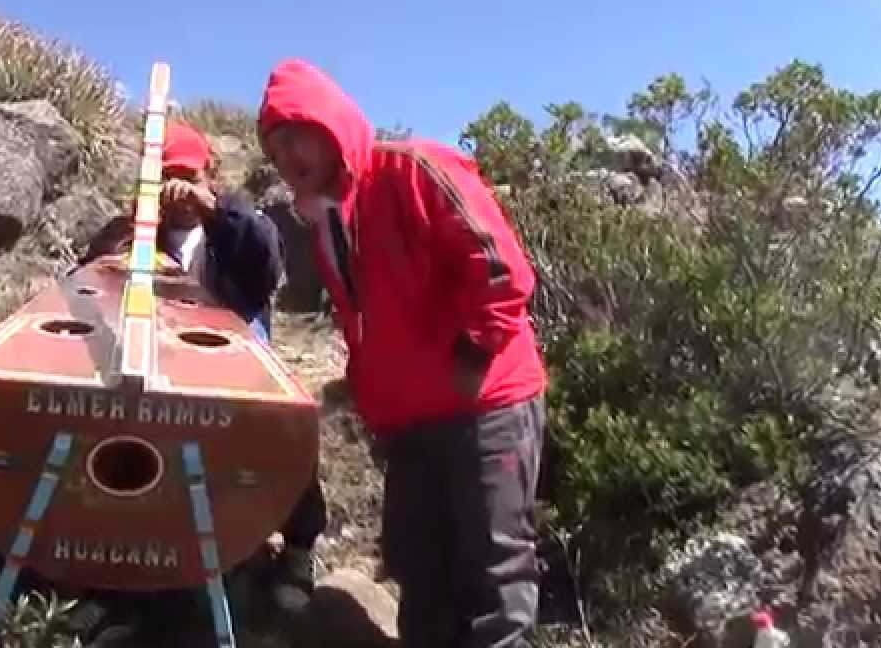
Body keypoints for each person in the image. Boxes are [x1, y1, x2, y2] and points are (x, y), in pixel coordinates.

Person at [256, 58, 548, 648]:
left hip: (485, 406)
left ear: (331, 124)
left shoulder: (413, 169)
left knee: (495, 576)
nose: (288, 156)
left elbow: (500, 269)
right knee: (421, 578)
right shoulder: (327, 221)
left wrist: (473, 358)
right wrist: (367, 396)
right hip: (412, 425)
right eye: (275, 146)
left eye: (297, 135)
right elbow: (366, 325)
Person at [66, 118, 329, 645]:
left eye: (188, 176)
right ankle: (115, 584)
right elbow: (83, 286)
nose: (178, 190)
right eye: (168, 178)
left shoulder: (237, 225)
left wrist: (215, 209)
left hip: (233, 365)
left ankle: (298, 551)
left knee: (286, 421)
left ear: (211, 172)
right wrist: (129, 234)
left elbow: (266, 264)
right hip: (157, 374)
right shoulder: (133, 231)